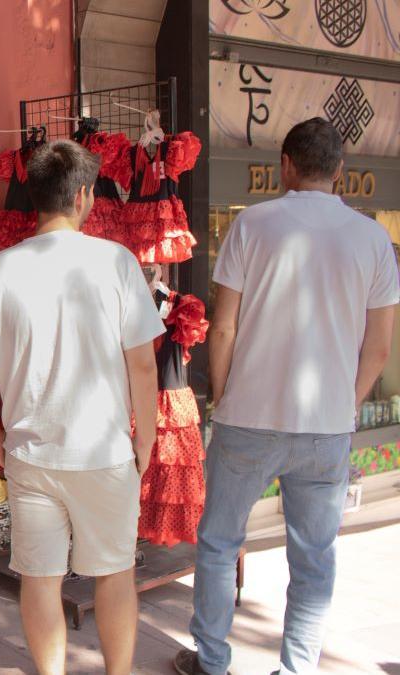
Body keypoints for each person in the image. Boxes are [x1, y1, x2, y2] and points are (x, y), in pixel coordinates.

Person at [175, 118, 399, 675]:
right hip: (327, 426)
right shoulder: (373, 238)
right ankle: (297, 668)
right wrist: (347, 404)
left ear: (286, 165)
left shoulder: (252, 224)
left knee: (219, 542)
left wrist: (223, 393)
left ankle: (211, 661)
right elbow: (379, 347)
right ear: (339, 171)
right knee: (314, 559)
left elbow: (223, 328)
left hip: (249, 416)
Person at [0, 140, 163, 675]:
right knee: (114, 574)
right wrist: (145, 439)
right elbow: (143, 366)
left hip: (31, 452)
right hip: (105, 452)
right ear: (82, 195)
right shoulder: (117, 263)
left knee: (40, 579)